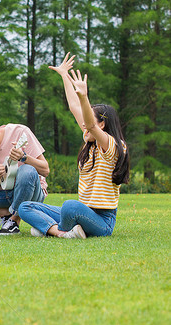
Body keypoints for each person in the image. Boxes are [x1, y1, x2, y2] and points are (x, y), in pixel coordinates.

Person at [18, 53, 130, 238]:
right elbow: (74, 107)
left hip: (102, 221)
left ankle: (52, 229)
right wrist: (64, 75)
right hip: (83, 212)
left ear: (102, 124)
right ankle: (61, 232)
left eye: (90, 121)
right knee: (25, 207)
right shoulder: (90, 140)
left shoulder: (112, 146)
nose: (84, 125)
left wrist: (84, 97)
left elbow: (90, 123)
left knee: (70, 206)